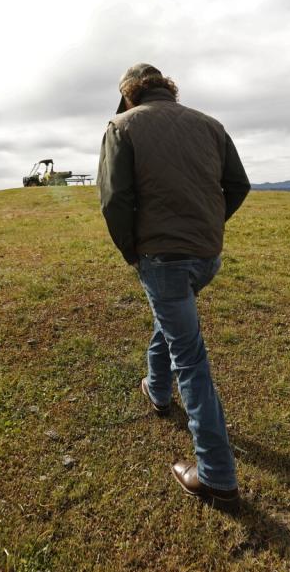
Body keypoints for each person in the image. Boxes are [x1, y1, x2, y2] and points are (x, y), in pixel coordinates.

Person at [97, 63, 251, 503]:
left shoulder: (121, 125)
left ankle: (217, 475)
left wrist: (134, 251)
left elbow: (114, 200)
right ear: (168, 89)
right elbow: (238, 185)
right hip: (207, 257)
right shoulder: (210, 124)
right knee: (173, 316)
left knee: (191, 356)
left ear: (129, 94)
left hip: (162, 257)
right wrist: (208, 227)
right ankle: (157, 389)